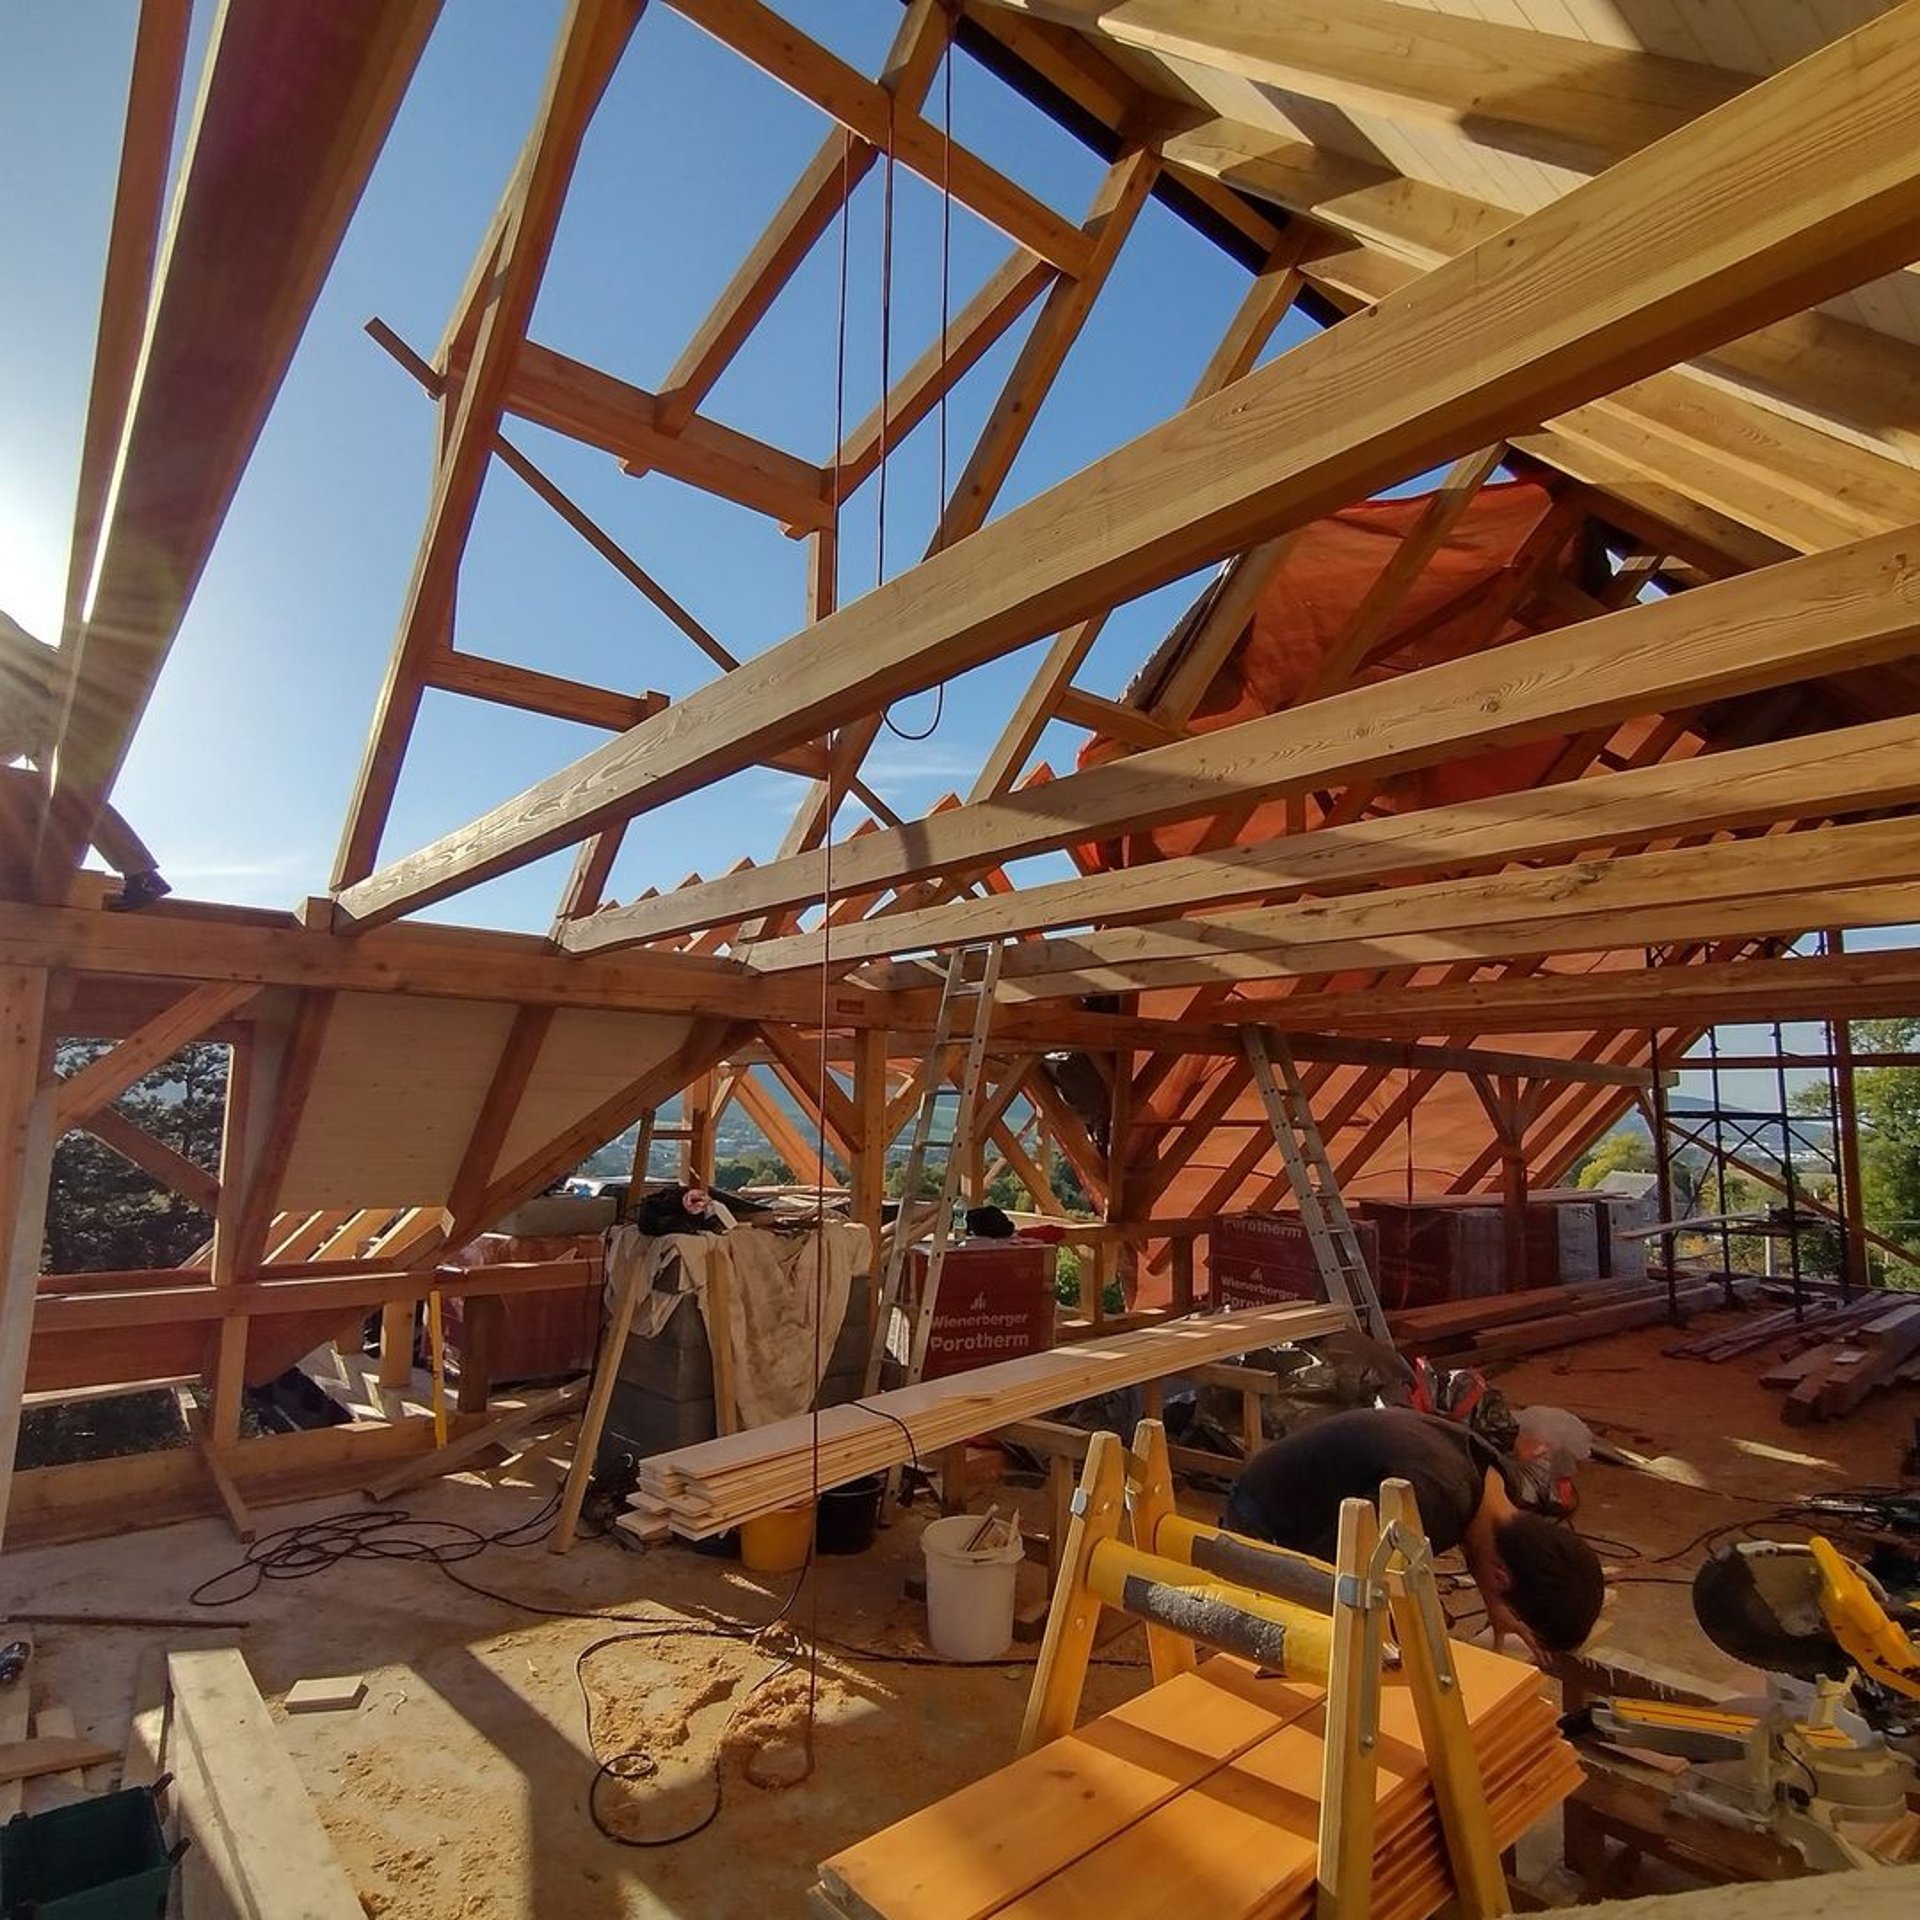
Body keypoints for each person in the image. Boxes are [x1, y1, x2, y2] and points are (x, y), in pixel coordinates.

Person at [1221, 1406, 1605, 1659]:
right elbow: (1332, 1572)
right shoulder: (1432, 1501)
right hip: (1263, 1513)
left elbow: (1481, 1541)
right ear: (1500, 1575)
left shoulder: (1492, 1481)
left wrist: (1495, 1605)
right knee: (1303, 1647)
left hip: (1313, 1488)